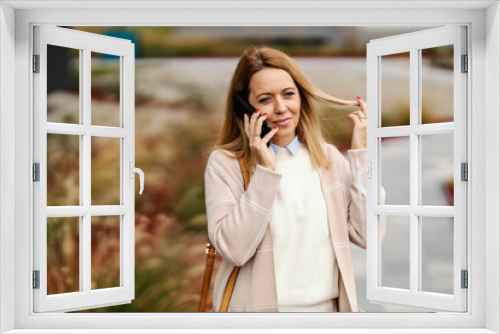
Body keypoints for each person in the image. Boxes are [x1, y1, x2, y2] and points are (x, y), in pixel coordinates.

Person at [204, 46, 385, 312]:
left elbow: (368, 235)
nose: (281, 108)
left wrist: (360, 155)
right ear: (245, 107)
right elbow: (235, 250)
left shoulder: (329, 159)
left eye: (289, 94)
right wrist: (266, 171)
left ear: (301, 96)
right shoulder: (226, 164)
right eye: (265, 99)